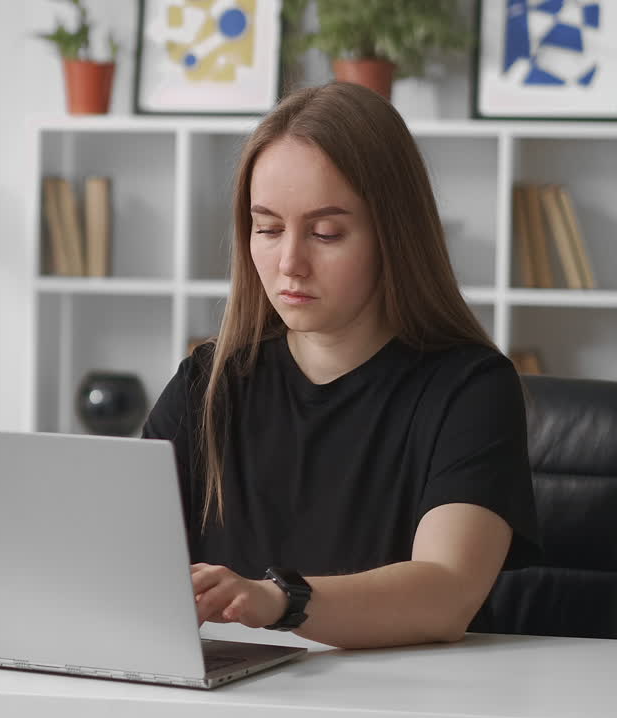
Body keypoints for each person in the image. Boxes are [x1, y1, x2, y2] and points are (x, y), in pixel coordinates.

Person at [141, 82, 540, 650]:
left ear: (393, 237)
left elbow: (447, 591)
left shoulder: (471, 390)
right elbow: (127, 567)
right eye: (268, 228)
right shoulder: (207, 384)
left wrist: (278, 601)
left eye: (326, 232)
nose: (290, 263)